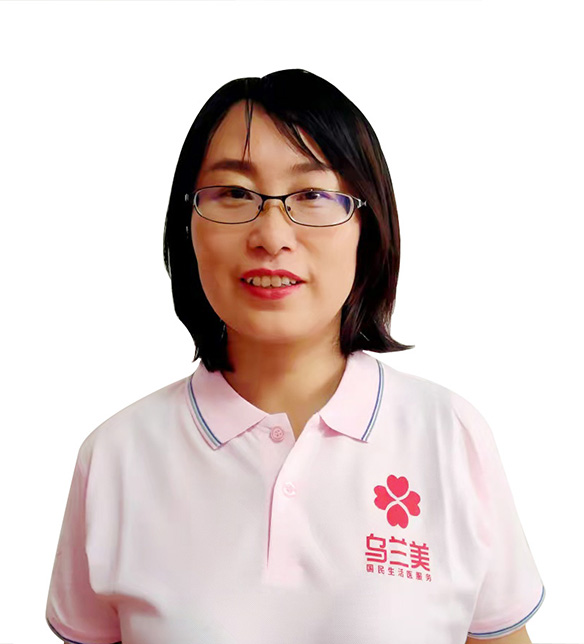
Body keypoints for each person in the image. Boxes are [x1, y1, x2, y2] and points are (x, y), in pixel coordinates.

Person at [45, 68, 545, 644]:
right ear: (187, 226)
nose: (272, 235)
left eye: (311, 194)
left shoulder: (449, 435)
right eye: (235, 193)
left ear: (367, 227)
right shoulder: (116, 456)